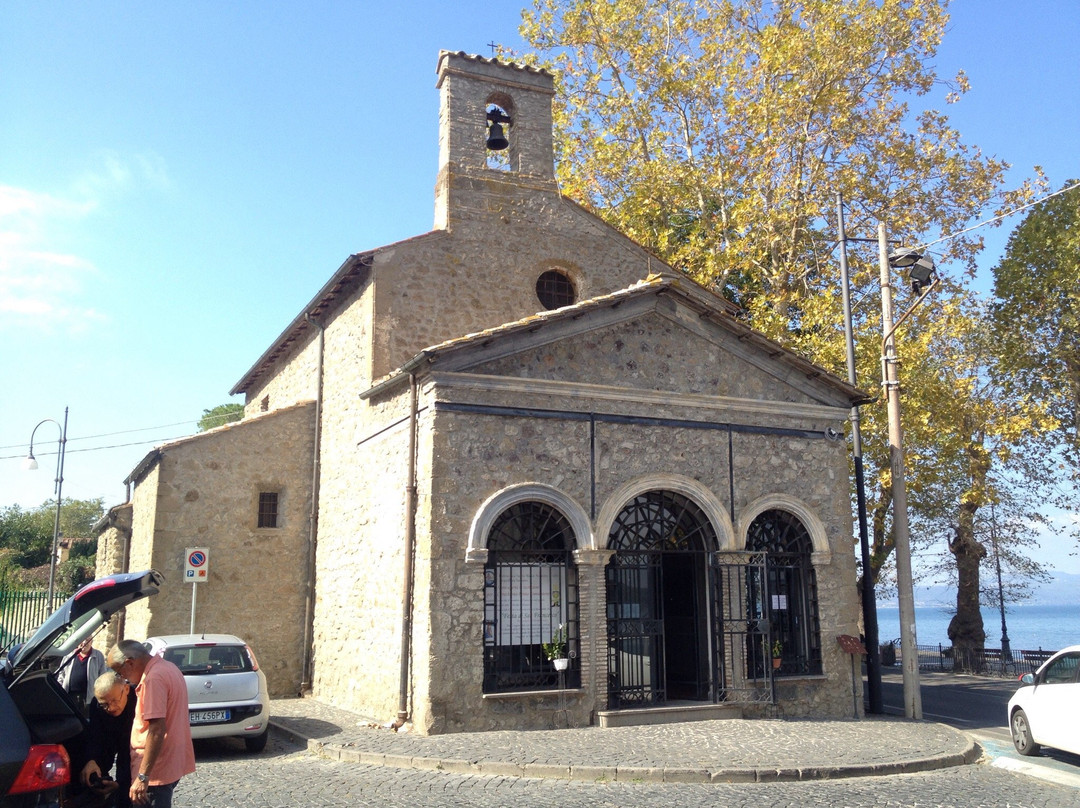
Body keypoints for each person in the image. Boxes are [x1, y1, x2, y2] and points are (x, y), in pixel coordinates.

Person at [107, 640, 195, 807]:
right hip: (168, 762)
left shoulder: (152, 679)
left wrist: (143, 777)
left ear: (129, 663)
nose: (121, 678)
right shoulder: (169, 667)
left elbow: (156, 730)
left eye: (119, 672)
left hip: (155, 770)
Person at [80, 671, 138, 808]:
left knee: (126, 794)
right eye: (104, 704)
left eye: (114, 701)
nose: (110, 708)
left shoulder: (138, 700)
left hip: (134, 745)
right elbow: (96, 736)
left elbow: (132, 752)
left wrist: (120, 784)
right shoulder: (96, 704)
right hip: (109, 740)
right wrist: (92, 761)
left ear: (126, 689)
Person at [58, 637, 107, 713]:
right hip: (69, 696)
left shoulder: (98, 656)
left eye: (87, 640)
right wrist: (60, 690)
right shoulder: (69, 655)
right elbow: (61, 674)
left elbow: (103, 676)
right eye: (82, 640)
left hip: (88, 698)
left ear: (91, 642)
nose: (84, 643)